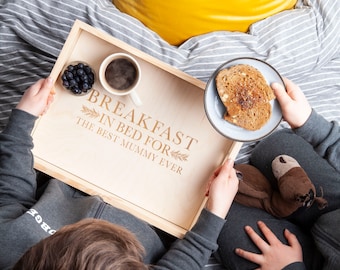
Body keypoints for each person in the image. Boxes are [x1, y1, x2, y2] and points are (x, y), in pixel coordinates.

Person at [0, 77, 239, 269]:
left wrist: (22, 119)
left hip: (77, 167)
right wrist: (215, 213)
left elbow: (12, 192)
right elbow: (185, 261)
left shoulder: (7, 247)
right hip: (159, 208)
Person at [216, 78, 340, 269]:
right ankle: (279, 204)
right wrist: (310, 123)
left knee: (219, 212)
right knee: (274, 147)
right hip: (334, 211)